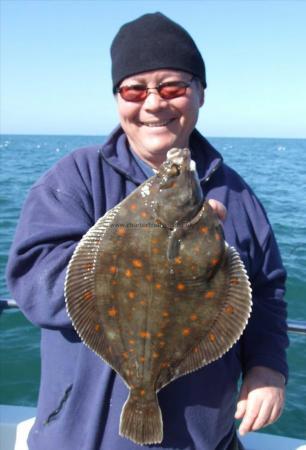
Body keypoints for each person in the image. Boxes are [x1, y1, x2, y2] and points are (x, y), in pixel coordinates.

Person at [6, 12, 288, 450]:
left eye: (172, 87)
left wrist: (267, 367)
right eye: (135, 89)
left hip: (201, 438)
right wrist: (151, 255)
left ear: (200, 93)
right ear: (118, 99)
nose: (153, 103)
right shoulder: (76, 177)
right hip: (85, 437)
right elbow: (34, 283)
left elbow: (266, 291)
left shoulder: (239, 196)